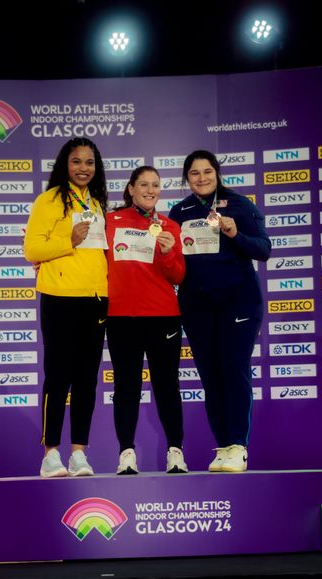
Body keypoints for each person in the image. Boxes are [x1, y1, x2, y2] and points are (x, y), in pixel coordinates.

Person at [168, 150, 271, 473]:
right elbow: (174, 264)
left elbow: (263, 249)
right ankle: (224, 446)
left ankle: (238, 446)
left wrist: (234, 233)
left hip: (238, 302)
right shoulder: (179, 210)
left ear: (217, 173)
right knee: (211, 376)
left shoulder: (240, 205)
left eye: (207, 172)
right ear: (187, 178)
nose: (201, 178)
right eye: (195, 173)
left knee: (234, 369)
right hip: (197, 306)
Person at [24, 137, 108, 478]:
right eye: (76, 161)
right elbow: (32, 249)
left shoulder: (97, 203)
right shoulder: (49, 200)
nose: (83, 168)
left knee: (87, 380)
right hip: (59, 297)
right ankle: (50, 453)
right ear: (65, 164)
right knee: (58, 377)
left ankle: (79, 454)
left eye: (89, 162)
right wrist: (67, 240)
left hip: (95, 298)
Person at [105, 166, 188, 475]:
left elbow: (178, 275)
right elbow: (95, 262)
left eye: (155, 185)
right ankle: (126, 453)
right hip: (121, 317)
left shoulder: (170, 226)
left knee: (167, 386)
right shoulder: (110, 222)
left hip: (163, 316)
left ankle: (175, 452)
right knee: (126, 387)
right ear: (131, 188)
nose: (150, 189)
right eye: (144, 184)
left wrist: (168, 252)